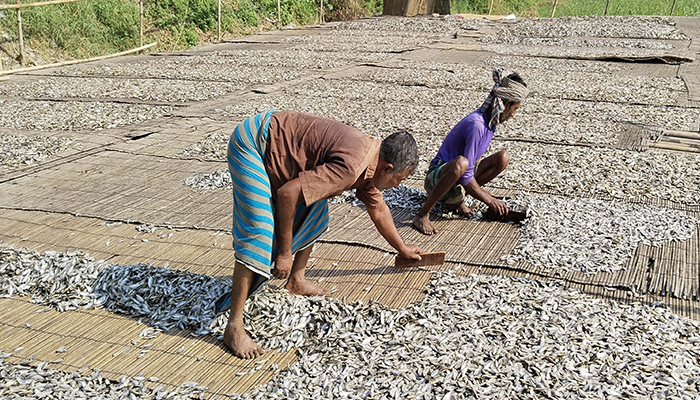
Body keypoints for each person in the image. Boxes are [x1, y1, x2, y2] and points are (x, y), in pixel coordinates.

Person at [223, 110, 423, 358]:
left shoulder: (373, 161)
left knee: (316, 210)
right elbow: (287, 194)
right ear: (387, 168)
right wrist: (284, 253)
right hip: (253, 142)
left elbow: (379, 209)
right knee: (260, 230)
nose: (398, 186)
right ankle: (234, 326)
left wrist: (401, 248)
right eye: (399, 180)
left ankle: (296, 280)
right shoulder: (352, 167)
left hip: (282, 147)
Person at [412, 68, 529, 235]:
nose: (513, 114)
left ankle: (456, 200)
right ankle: (422, 215)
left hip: (457, 177)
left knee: (502, 157)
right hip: (437, 178)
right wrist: (488, 199)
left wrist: (486, 198)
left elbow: (470, 167)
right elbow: (465, 171)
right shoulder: (477, 125)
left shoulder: (490, 123)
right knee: (462, 163)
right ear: (507, 105)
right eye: (515, 108)